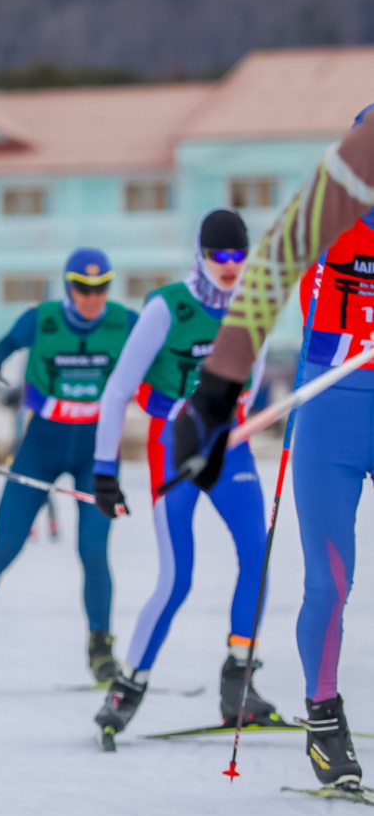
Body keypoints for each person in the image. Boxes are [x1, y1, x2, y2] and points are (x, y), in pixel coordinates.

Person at [167, 108, 374, 792]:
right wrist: (216, 395)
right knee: (330, 582)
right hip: (331, 414)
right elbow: (268, 274)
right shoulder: (334, 204)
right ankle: (323, 721)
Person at [89, 211, 282, 748]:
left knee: (256, 553)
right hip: (171, 443)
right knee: (178, 578)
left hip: (227, 445)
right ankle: (128, 687)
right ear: (201, 254)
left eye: (238, 257)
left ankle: (239, 679)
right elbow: (117, 390)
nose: (229, 267)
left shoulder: (254, 304)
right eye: (219, 256)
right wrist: (105, 471)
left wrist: (238, 419)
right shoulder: (166, 306)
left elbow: (256, 374)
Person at [0, 249, 131, 688]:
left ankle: (101, 651)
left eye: (101, 288)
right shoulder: (41, 318)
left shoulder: (125, 322)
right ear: (68, 285)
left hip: (97, 453)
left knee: (94, 551)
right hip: (42, 446)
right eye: (82, 287)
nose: (92, 297)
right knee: (5, 544)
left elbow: (166, 355)